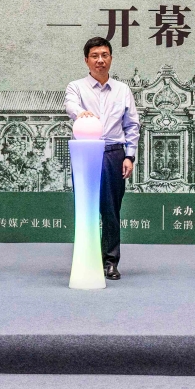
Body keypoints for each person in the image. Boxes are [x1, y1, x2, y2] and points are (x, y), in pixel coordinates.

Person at [64, 36, 140, 280]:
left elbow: (132, 125)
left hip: (113, 153)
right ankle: (87, 259)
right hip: (86, 154)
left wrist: (129, 156)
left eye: (104, 55)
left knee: (111, 211)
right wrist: (82, 114)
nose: (100, 60)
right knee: (86, 208)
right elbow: (70, 106)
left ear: (111, 58)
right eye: (95, 56)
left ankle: (110, 262)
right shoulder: (76, 87)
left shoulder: (122, 90)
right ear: (86, 60)